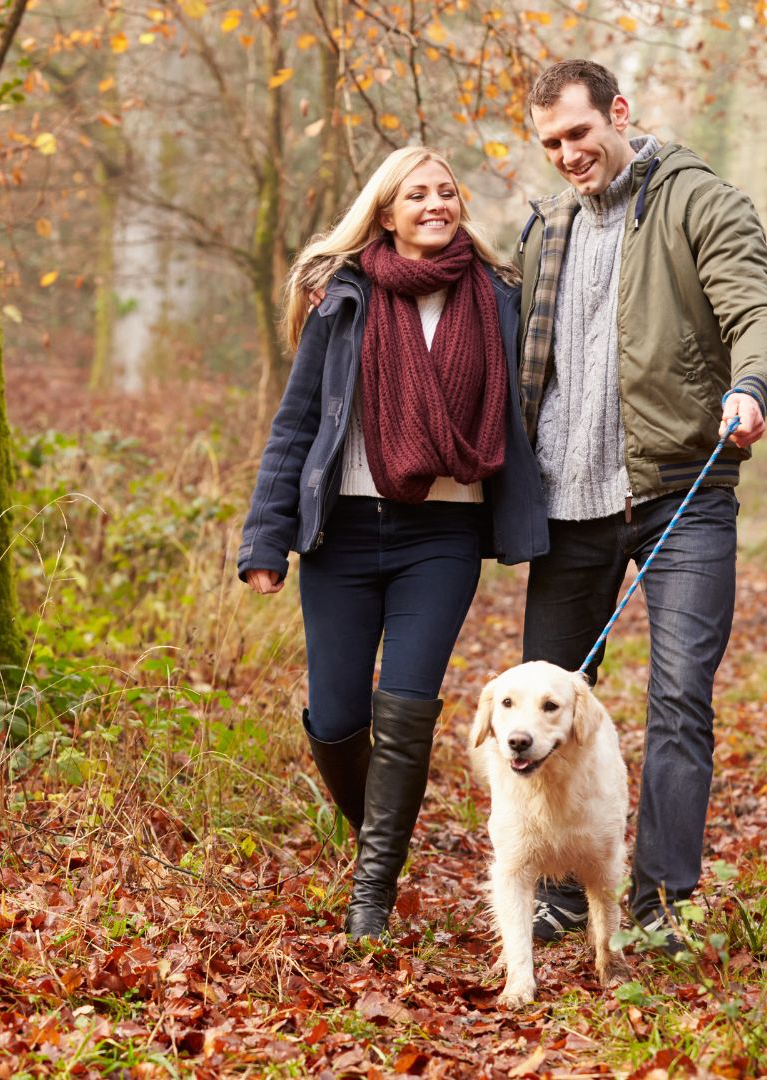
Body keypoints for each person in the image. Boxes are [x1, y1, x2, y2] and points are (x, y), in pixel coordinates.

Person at [515, 60, 767, 949]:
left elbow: (759, 313)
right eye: (551, 143)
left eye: (579, 132)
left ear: (619, 113)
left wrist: (751, 385)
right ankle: (564, 891)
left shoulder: (700, 202)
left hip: (683, 491)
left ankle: (662, 904)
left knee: (679, 697)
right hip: (568, 505)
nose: (568, 154)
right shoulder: (545, 228)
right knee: (545, 709)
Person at [238, 147, 548, 940]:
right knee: (335, 717)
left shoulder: (498, 296)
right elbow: (297, 422)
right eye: (417, 195)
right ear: (386, 213)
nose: (436, 204)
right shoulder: (344, 297)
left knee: (406, 713)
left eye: (447, 192)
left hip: (441, 537)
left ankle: (371, 893)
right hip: (341, 535)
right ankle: (382, 830)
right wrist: (265, 538)